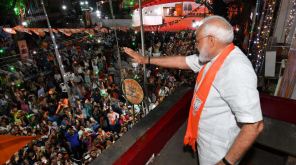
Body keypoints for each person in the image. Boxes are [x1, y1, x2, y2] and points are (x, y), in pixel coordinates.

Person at [124, 15, 264, 165]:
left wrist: (226, 162)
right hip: (206, 144)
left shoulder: (236, 68)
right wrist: (147, 60)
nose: (195, 46)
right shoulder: (214, 57)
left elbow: (254, 125)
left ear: (211, 40)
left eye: (197, 41)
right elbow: (181, 61)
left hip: (220, 151)